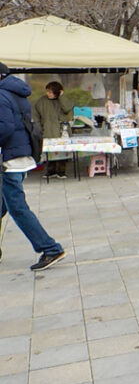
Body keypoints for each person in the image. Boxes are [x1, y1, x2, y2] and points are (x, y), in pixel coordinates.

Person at [0, 62, 66, 270]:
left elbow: (5, 127)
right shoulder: (17, 93)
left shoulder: (1, 96)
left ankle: (50, 248)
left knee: (18, 209)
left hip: (9, 159)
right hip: (19, 155)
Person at [33, 81, 73, 178]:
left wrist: (62, 97)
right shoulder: (41, 101)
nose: (48, 94)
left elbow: (68, 109)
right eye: (47, 91)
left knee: (62, 151)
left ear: (57, 92)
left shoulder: (64, 100)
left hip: (62, 131)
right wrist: (39, 128)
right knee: (49, 152)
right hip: (47, 130)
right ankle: (50, 171)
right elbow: (35, 116)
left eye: (50, 92)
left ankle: (61, 171)